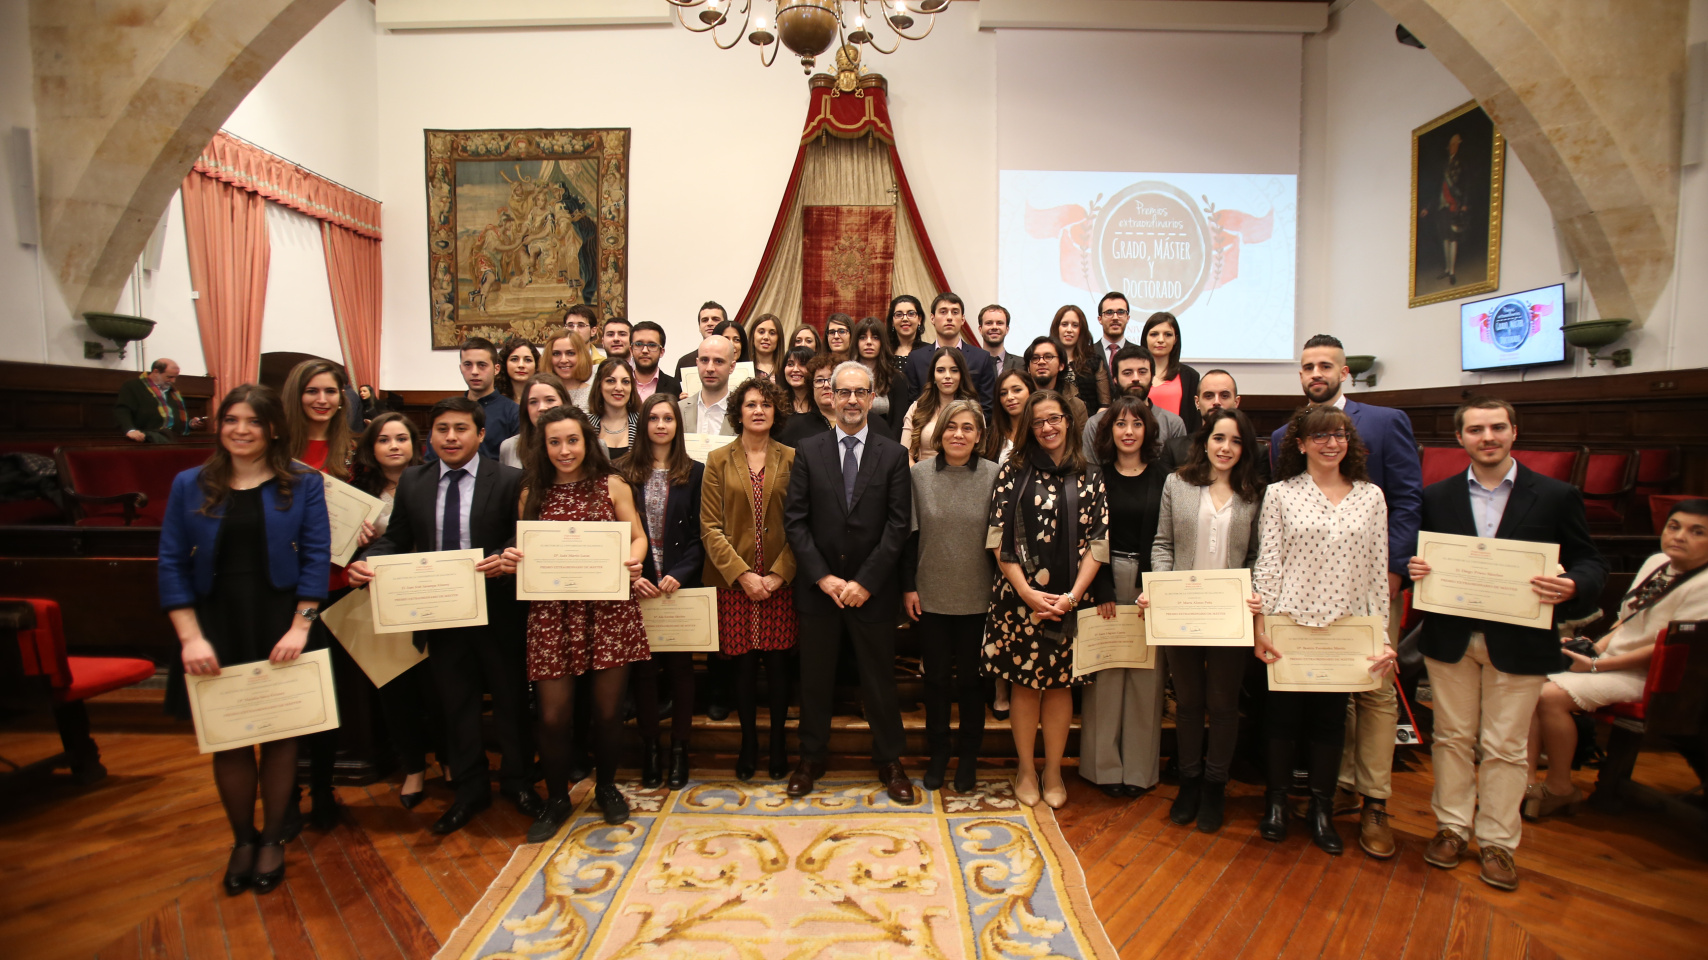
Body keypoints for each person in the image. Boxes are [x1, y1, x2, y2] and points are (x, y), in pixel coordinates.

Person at [1409, 397, 1607, 890]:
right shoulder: (1436, 497)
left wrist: (1574, 585)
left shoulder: (1556, 495)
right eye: (1476, 430)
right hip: (1452, 638)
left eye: (1497, 427)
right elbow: (1422, 560)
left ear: (1514, 432)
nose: (1487, 437)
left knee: (1506, 746)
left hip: (1520, 641)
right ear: (1461, 439)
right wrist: (1417, 570)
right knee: (1452, 739)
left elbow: (1590, 563)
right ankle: (1452, 829)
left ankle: (1498, 841)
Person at [158, 383, 329, 895]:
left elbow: (315, 558)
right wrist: (190, 638)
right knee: (229, 739)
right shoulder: (190, 484)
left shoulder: (302, 483)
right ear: (220, 426)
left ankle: (273, 836)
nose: (241, 430)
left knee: (281, 736)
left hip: (280, 621)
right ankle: (242, 839)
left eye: (252, 421)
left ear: (272, 428)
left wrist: (301, 627)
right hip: (216, 623)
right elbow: (170, 562)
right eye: (231, 420)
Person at [348, 398, 543, 835]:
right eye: (441, 430)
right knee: (455, 706)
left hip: (498, 611)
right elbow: (396, 539)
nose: (451, 437)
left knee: (510, 701)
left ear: (480, 435)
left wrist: (504, 554)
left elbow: (522, 532)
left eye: (460, 429)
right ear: (430, 437)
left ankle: (518, 781)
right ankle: (470, 789)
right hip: (440, 613)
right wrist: (368, 561)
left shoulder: (511, 478)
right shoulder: (416, 482)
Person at [1269, 333, 1421, 856]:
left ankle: (1374, 800)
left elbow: (1405, 500)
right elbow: (1276, 536)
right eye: (1308, 366)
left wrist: (1395, 573)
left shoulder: (1383, 422)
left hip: (1369, 590)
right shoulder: (1282, 436)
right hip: (1299, 600)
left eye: (1325, 365)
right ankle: (1329, 792)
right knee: (1318, 701)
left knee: (1374, 692)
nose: (1316, 373)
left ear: (1344, 371)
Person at [500, 405, 650, 838]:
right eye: (554, 442)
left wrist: (633, 563)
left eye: (572, 440)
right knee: (552, 716)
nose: (564, 450)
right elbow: (524, 548)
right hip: (552, 614)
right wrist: (514, 558)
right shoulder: (532, 492)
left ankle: (606, 787)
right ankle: (557, 798)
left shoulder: (612, 484)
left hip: (608, 611)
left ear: (588, 442)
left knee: (606, 714)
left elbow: (636, 537)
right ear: (541, 446)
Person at [1253, 404, 1393, 856]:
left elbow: (1376, 570)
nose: (1331, 443)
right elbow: (1269, 563)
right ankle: (1275, 804)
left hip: (1345, 628)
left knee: (1331, 722)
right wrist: (1261, 625)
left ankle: (1321, 809)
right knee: (1281, 719)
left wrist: (1382, 635)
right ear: (1300, 444)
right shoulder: (1280, 494)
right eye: (1320, 436)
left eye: (1339, 435)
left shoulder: (1371, 497)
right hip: (1289, 621)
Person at [783, 361, 915, 802]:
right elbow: (796, 522)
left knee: (879, 681)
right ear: (831, 397)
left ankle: (890, 760)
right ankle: (810, 758)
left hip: (872, 593)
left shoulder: (893, 453)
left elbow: (898, 526)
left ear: (873, 395)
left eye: (861, 393)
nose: (853, 401)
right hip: (820, 592)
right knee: (815, 680)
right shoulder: (808, 449)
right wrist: (823, 578)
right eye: (844, 393)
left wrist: (864, 582)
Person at [1526, 499, 1708, 817]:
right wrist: (1593, 647)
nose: (1680, 536)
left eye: (1697, 532)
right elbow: (1627, 619)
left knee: (1549, 696)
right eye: (1674, 526)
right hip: (1613, 660)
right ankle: (1523, 783)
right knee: (1524, 682)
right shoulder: (1657, 561)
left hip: (1651, 675)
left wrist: (1598, 665)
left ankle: (1560, 787)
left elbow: (1670, 649)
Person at [986, 390, 1108, 810]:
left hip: (1070, 601)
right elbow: (997, 538)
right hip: (1019, 599)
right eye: (1038, 422)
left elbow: (1100, 541)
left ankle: (1053, 769)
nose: (1047, 428)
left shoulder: (1089, 474)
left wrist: (1072, 597)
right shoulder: (1012, 470)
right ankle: (1024, 767)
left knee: (1058, 689)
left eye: (1054, 419)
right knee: (1024, 687)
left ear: (1068, 421)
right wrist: (1025, 591)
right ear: (1029, 429)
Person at [1147, 408, 1266, 833]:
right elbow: (1161, 545)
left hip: (1230, 616)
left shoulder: (1254, 493)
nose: (1226, 448)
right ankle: (1190, 781)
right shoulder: (1177, 484)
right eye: (1219, 438)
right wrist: (1162, 590)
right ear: (1205, 441)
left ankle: (1216, 784)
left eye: (1235, 441)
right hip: (1182, 613)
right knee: (1189, 704)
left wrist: (1254, 594)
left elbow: (1256, 556)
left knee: (1223, 704)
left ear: (1244, 448)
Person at [702, 377, 799, 782]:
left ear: (776, 413)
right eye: (751, 404)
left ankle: (777, 741)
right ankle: (748, 742)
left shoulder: (794, 458)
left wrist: (777, 575)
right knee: (741, 668)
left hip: (781, 583)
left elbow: (803, 524)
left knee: (778, 668)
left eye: (766, 405)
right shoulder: (717, 459)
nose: (758, 410)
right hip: (734, 584)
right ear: (738, 411)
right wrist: (743, 575)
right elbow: (710, 527)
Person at [902, 400, 997, 793]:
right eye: (951, 427)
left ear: (979, 436)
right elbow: (910, 536)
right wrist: (908, 586)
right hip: (932, 594)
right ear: (939, 433)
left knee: (973, 683)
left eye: (968, 428)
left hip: (979, 595)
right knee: (936, 681)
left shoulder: (995, 475)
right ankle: (938, 754)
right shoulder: (919, 475)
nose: (959, 435)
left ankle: (968, 758)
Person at [348, 413, 438, 812]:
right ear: (372, 447)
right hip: (380, 604)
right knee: (396, 690)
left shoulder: (433, 480)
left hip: (433, 596)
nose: (394, 446)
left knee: (438, 687)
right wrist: (358, 540)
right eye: (385, 440)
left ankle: (450, 761)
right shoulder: (355, 493)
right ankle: (413, 767)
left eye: (402, 438)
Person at [1078, 395, 1167, 800]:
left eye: (1136, 424)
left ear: (1147, 430)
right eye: (1120, 424)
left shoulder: (1166, 477)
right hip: (1107, 580)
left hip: (1153, 584)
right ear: (1108, 431)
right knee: (1107, 675)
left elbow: (1169, 537)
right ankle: (1103, 768)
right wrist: (1102, 586)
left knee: (1146, 678)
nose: (1128, 432)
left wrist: (1157, 584)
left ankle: (1138, 769)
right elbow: (1091, 538)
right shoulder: (1096, 477)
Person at [280, 358, 354, 828]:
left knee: (331, 696)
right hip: (287, 587)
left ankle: (324, 787)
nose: (322, 400)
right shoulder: (276, 450)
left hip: (340, 585)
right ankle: (286, 793)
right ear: (296, 395)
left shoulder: (353, 451)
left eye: (331, 391)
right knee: (289, 694)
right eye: (313, 391)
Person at [621, 394, 705, 789]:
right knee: (644, 674)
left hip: (677, 588)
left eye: (668, 418)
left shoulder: (696, 472)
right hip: (638, 587)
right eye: (652, 418)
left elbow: (701, 534)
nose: (660, 425)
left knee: (681, 670)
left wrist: (683, 573)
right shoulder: (623, 473)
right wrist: (631, 577)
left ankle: (679, 750)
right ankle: (650, 747)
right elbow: (616, 534)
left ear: (677, 425)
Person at [1083, 347, 1186, 470]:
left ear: (1152, 376)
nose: (1136, 378)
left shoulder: (1173, 423)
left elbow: (1180, 477)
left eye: (1142, 372)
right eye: (1127, 373)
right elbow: (1091, 474)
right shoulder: (1096, 424)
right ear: (1115, 379)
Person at [1163, 369, 1270, 483]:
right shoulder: (1174, 449)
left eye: (1224, 396)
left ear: (1236, 402)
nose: (1216, 402)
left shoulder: (1257, 453)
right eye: (1209, 396)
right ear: (1197, 402)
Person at [905, 293, 996, 417]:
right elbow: (913, 403)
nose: (949, 317)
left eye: (955, 312)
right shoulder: (916, 358)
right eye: (943, 312)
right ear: (932, 318)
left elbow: (987, 406)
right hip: (927, 428)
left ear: (963, 319)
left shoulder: (981, 358)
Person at [900, 347, 980, 465]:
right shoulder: (917, 408)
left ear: (962, 375)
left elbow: (979, 453)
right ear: (933, 376)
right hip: (920, 476)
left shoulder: (973, 410)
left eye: (954, 370)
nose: (947, 376)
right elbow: (905, 455)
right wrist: (919, 480)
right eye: (941, 370)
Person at [446, 337, 521, 462]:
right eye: (468, 365)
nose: (474, 372)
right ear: (461, 368)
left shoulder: (513, 413)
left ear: (496, 369)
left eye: (482, 365)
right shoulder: (449, 412)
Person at [1139, 312, 1201, 434]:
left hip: (1178, 444)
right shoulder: (1134, 374)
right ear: (1145, 338)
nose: (1161, 340)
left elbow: (1194, 421)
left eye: (1168, 334)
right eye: (1154, 334)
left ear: (1175, 339)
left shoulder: (1190, 376)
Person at [853, 316, 912, 443]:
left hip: (886, 445)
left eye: (875, 337)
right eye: (863, 337)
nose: (869, 342)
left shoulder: (897, 379)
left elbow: (898, 424)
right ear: (856, 342)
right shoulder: (847, 376)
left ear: (882, 342)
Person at [118, 358, 203, 442]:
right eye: (169, 377)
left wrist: (190, 424)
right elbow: (122, 410)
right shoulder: (133, 386)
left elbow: (173, 417)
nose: (173, 381)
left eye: (175, 377)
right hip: (147, 439)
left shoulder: (172, 392)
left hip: (174, 438)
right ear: (156, 372)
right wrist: (130, 430)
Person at [499, 373, 571, 469]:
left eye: (550, 400)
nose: (542, 408)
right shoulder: (509, 447)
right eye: (533, 402)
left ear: (564, 403)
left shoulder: (588, 443)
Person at [1052, 305, 1111, 417]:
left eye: (1075, 325)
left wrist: (1091, 426)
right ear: (1057, 328)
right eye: (1064, 324)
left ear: (1081, 330)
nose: (1069, 330)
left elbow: (1105, 404)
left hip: (1090, 426)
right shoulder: (1047, 361)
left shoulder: (1094, 361)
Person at [775, 354, 838, 448]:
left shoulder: (859, 421)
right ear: (811, 387)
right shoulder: (795, 428)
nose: (826, 385)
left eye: (831, 379)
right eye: (819, 380)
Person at [1022, 337, 1090, 423]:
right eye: (1035, 358)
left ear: (1061, 365)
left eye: (1048, 357)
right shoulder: (1019, 402)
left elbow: (1079, 436)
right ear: (1028, 368)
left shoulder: (1076, 406)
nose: (1041, 362)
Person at [682, 335, 738, 437]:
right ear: (697, 363)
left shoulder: (742, 412)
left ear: (732, 367)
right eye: (704, 360)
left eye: (718, 361)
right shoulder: (678, 410)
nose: (710, 368)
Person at [586, 357, 639, 460]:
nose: (619, 388)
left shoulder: (643, 424)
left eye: (625, 382)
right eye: (611, 381)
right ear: (599, 386)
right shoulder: (586, 425)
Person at [984, 369, 1035, 466]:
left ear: (1030, 391)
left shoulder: (1041, 431)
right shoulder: (988, 437)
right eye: (1003, 393)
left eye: (1017, 390)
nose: (1010, 397)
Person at [674, 301, 728, 379]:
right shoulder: (685, 362)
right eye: (705, 320)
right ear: (699, 327)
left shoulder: (736, 358)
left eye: (715, 319)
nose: (709, 323)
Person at [629, 321, 680, 400]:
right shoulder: (620, 384)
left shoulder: (676, 387)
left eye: (652, 345)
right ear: (631, 350)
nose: (645, 350)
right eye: (639, 344)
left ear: (661, 352)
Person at [546, 329, 596, 410]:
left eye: (570, 353)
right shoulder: (542, 392)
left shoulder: (593, 394)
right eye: (556, 354)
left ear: (581, 356)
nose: (563, 360)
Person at [978, 304, 1024, 375]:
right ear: (980, 329)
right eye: (989, 323)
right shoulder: (968, 362)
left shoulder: (1022, 364)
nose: (994, 327)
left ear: (1007, 329)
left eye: (999, 323)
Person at [1094, 292, 1133, 377]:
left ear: (1128, 318)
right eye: (1109, 312)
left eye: (1121, 312)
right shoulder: (1087, 353)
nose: (1115, 317)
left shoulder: (1139, 354)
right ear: (1100, 319)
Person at [496, 337, 542, 405]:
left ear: (536, 365)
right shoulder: (495, 398)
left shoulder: (544, 397)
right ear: (504, 363)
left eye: (528, 360)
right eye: (514, 359)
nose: (521, 365)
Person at [887, 294, 928, 372]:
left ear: (919, 319)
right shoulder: (884, 351)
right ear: (892, 321)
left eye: (911, 314)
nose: (905, 319)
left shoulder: (930, 352)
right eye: (899, 314)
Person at [780, 345, 818, 418]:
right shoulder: (777, 405)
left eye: (803, 364)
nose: (795, 369)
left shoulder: (822, 404)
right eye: (790, 364)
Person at [747, 312, 785, 380]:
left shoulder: (786, 370)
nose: (766, 337)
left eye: (772, 333)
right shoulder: (742, 368)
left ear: (779, 339)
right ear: (753, 337)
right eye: (761, 332)